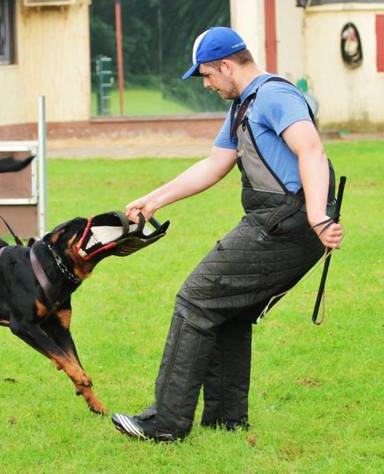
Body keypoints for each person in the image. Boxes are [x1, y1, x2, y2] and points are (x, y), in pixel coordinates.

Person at [111, 27, 344, 442]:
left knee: (195, 299)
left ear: (226, 65)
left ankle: (164, 424)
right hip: (271, 219)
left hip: (287, 223)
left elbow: (311, 150)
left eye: (206, 75)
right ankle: (226, 420)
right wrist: (154, 199)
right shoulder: (242, 105)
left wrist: (316, 217)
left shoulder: (276, 95)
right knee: (229, 308)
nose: (205, 84)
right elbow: (214, 165)